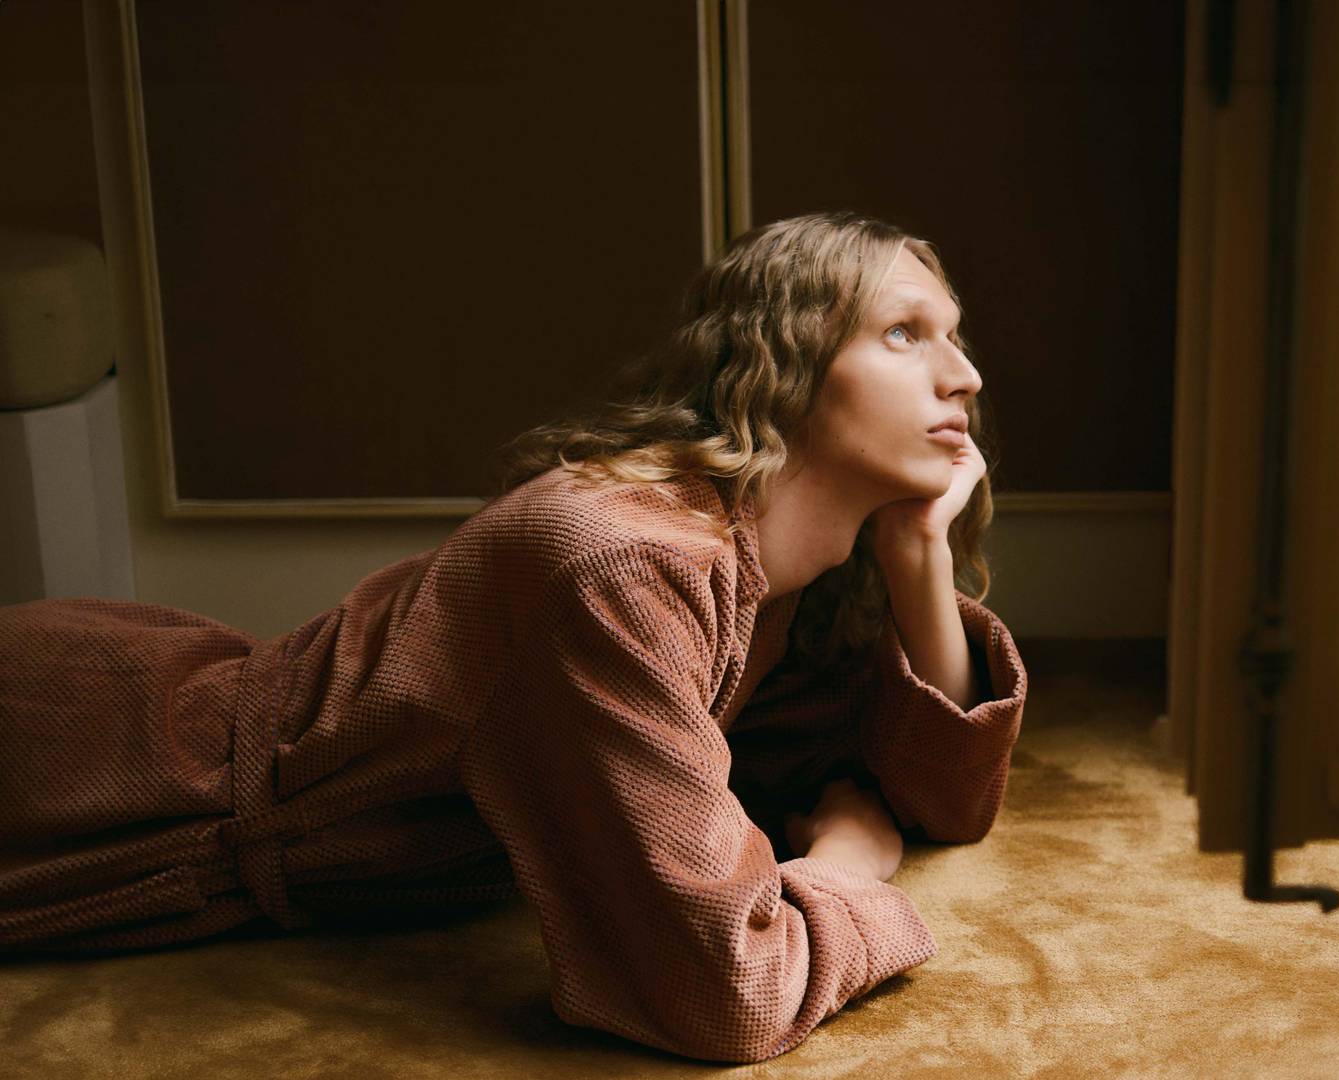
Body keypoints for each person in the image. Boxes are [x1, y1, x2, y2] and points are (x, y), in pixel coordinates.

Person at [0, 211, 1029, 1063]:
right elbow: (722, 990)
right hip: (95, 758)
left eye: (956, 334)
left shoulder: (788, 579)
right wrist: (849, 869)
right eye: (905, 332)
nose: (964, 376)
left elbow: (937, 799)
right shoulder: (624, 559)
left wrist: (917, 561)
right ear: (785, 361)